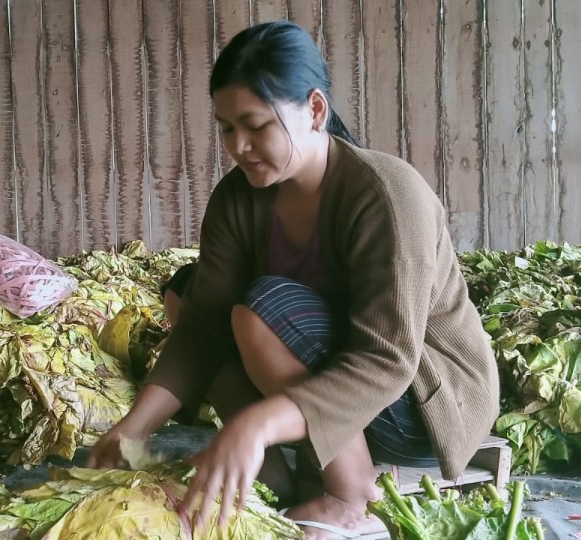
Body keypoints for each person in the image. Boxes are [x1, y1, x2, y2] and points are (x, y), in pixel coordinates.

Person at [88, 20, 500, 539]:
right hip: (335, 382)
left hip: (418, 403)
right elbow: (201, 330)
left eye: (256, 125)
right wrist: (134, 428)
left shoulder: (388, 197)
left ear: (315, 110)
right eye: (226, 127)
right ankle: (279, 480)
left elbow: (387, 359)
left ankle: (349, 496)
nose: (239, 146)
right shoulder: (239, 199)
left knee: (263, 307)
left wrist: (255, 425)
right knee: (189, 292)